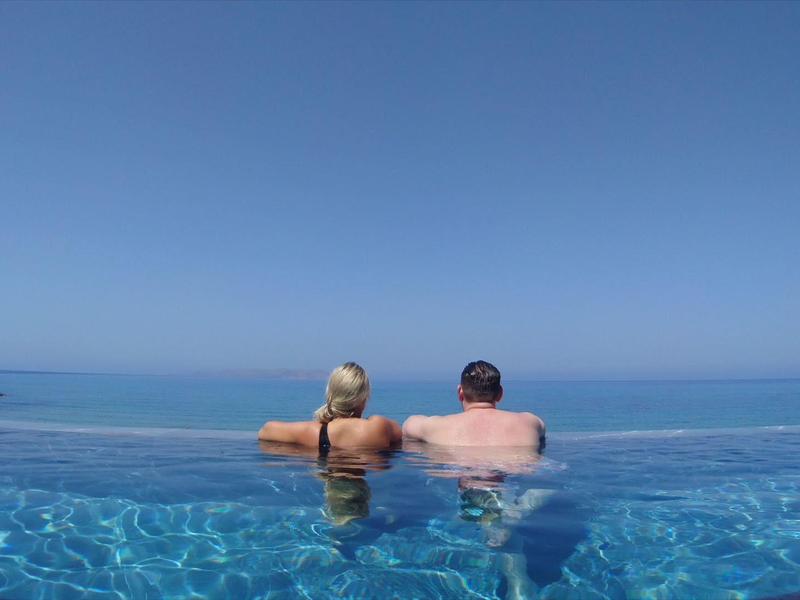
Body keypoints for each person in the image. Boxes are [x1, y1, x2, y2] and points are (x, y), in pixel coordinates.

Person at [258, 362, 402, 451]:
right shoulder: (378, 426)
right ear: (364, 397)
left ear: (331, 394)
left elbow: (265, 431)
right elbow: (400, 432)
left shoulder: (314, 432)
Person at [402, 360, 545, 448]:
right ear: (500, 393)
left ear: (460, 392)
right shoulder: (531, 422)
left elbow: (408, 424)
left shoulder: (435, 426)